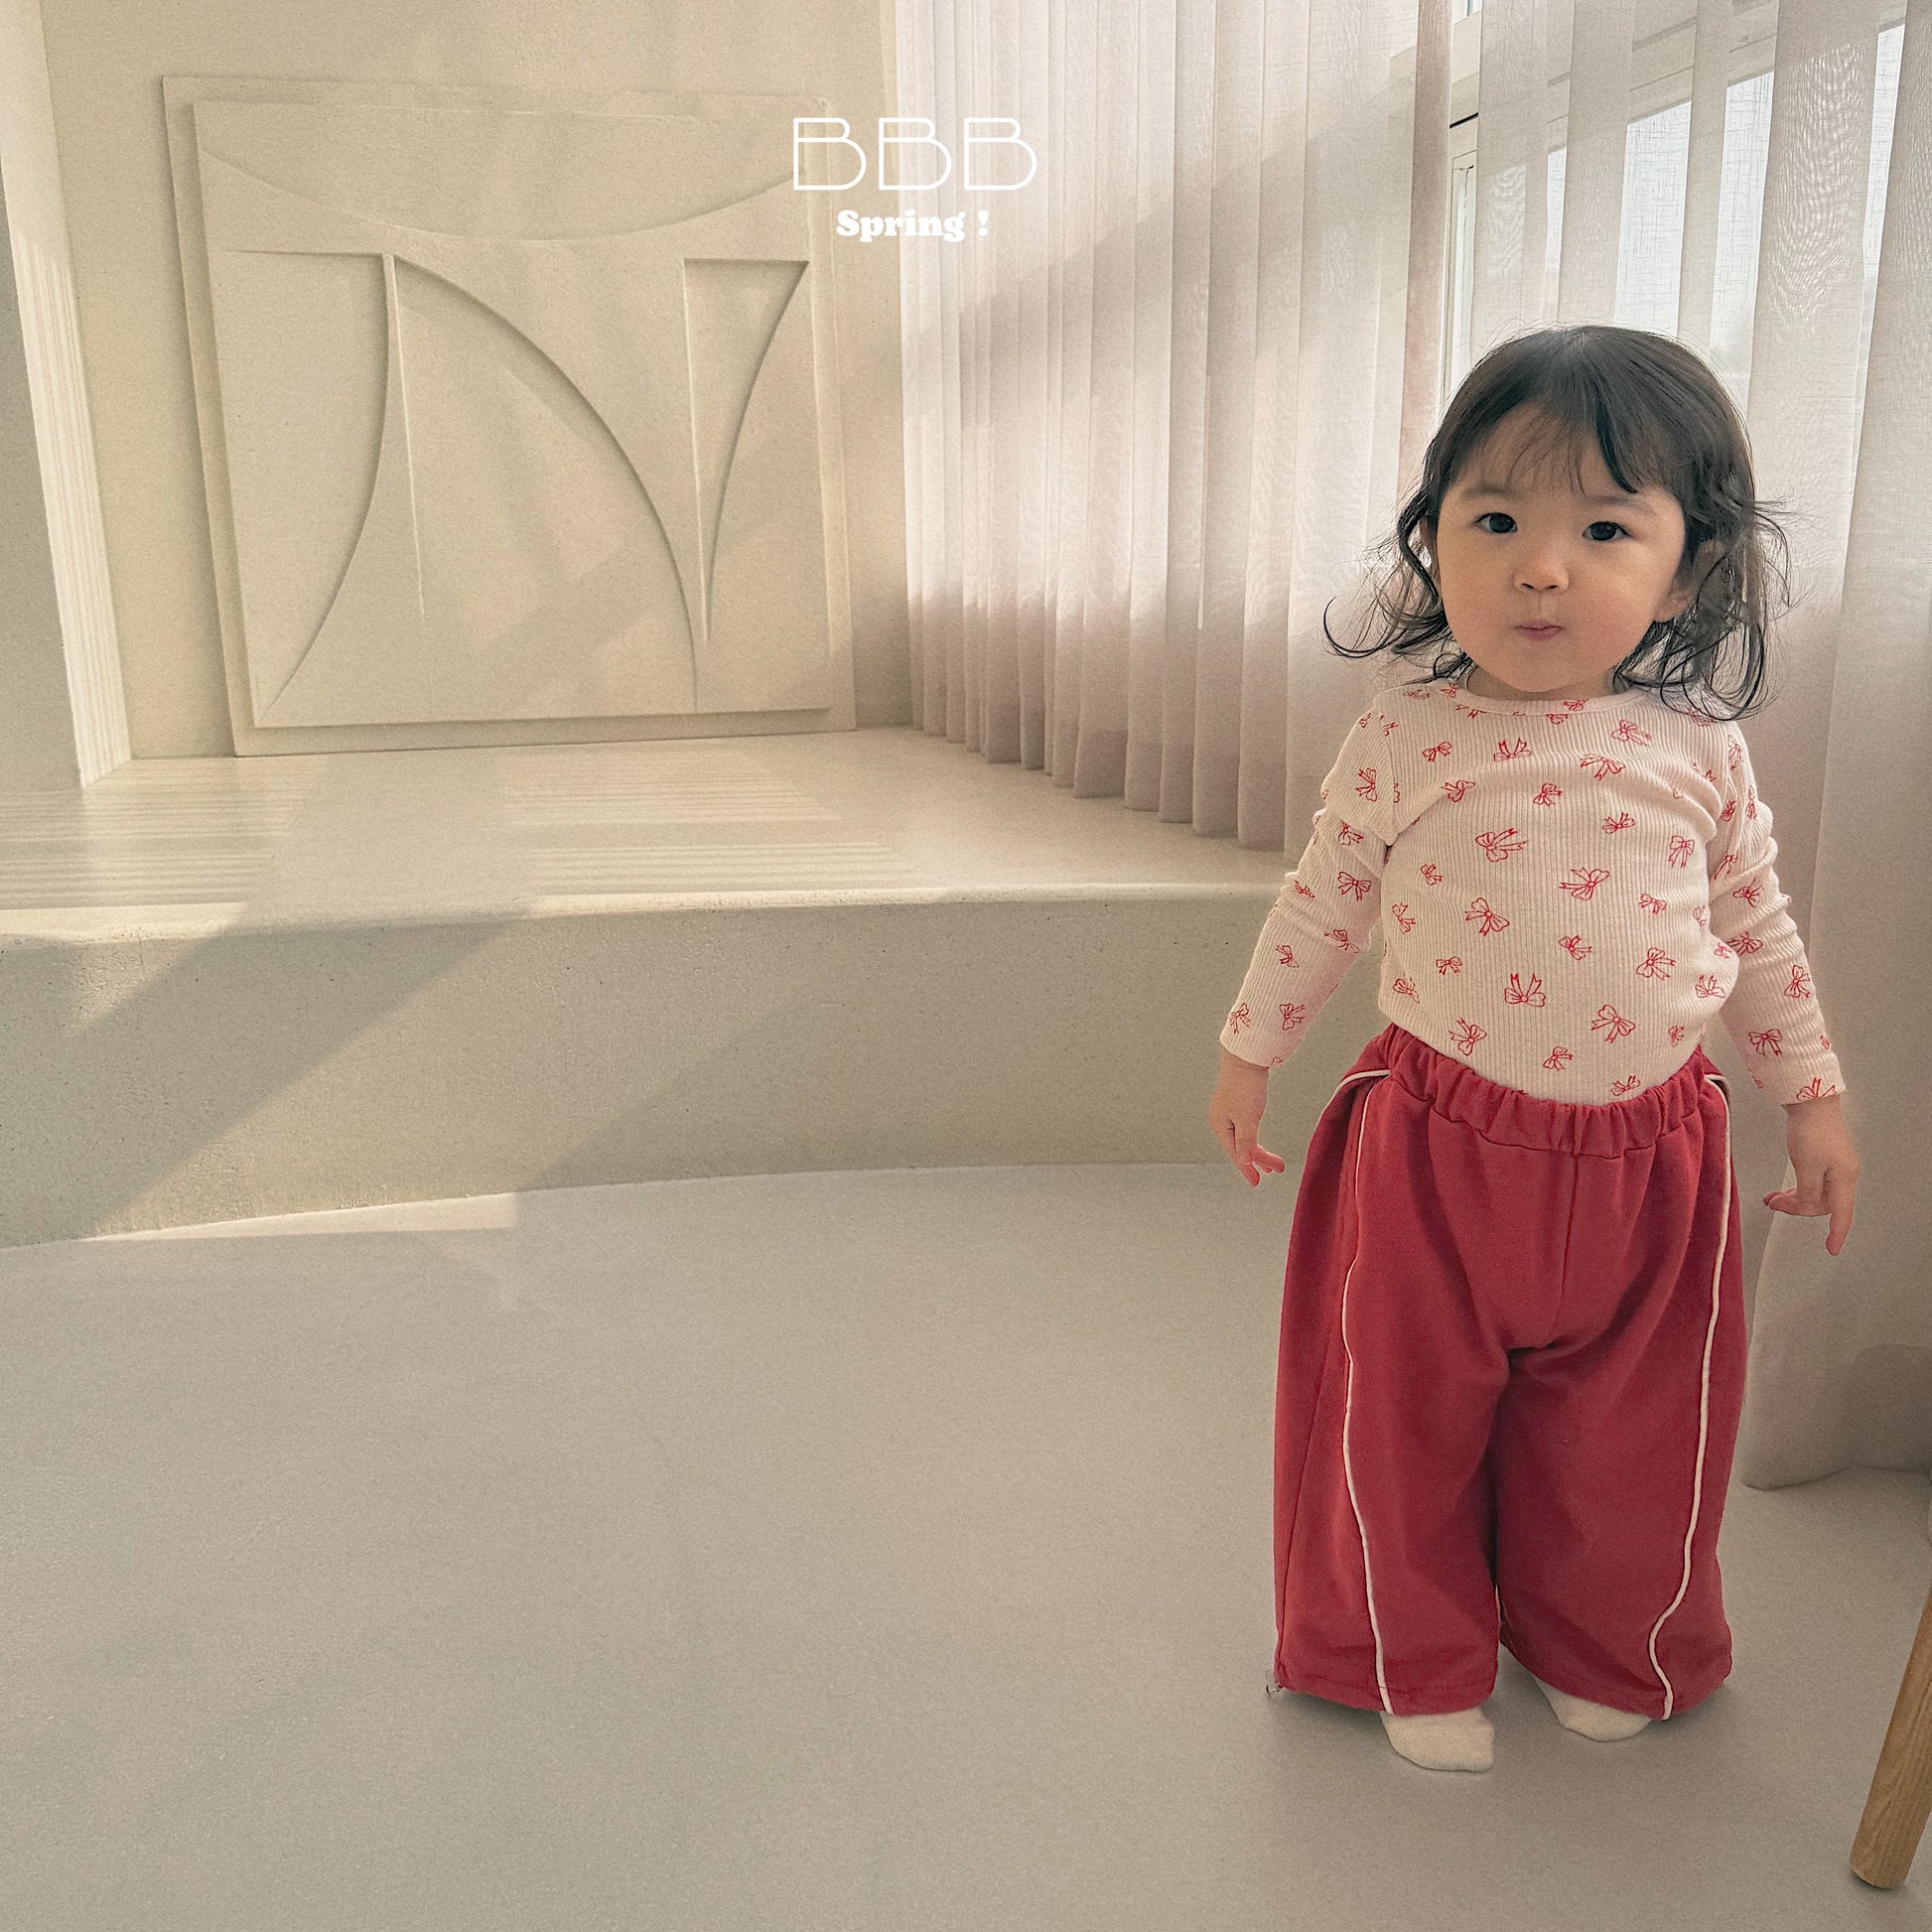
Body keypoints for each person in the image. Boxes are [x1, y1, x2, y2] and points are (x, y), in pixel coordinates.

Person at [1205, 324, 1861, 1774]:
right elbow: (1323, 899)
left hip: (1650, 1162)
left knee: (1633, 1433)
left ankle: (1605, 1641)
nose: (1540, 568)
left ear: (1685, 571)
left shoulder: (1696, 749)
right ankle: (1410, 1652)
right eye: (1494, 520)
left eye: (1603, 529)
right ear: (1433, 538)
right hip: (1435, 1153)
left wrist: (1811, 1101)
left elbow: (1754, 928)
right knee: (1399, 1421)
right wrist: (1252, 1052)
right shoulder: (1404, 736)